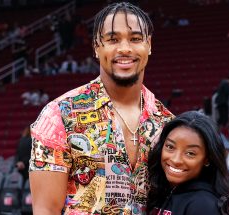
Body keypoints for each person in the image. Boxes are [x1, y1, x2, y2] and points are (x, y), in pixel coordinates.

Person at [29, 2, 174, 214]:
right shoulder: (59, 115)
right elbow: (45, 210)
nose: (125, 48)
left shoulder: (167, 122)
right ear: (96, 46)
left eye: (135, 39)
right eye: (113, 39)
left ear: (149, 45)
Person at [147, 111, 229, 215]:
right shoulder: (161, 192)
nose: (176, 160)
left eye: (190, 153)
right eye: (170, 147)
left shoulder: (203, 205)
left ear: (207, 159)